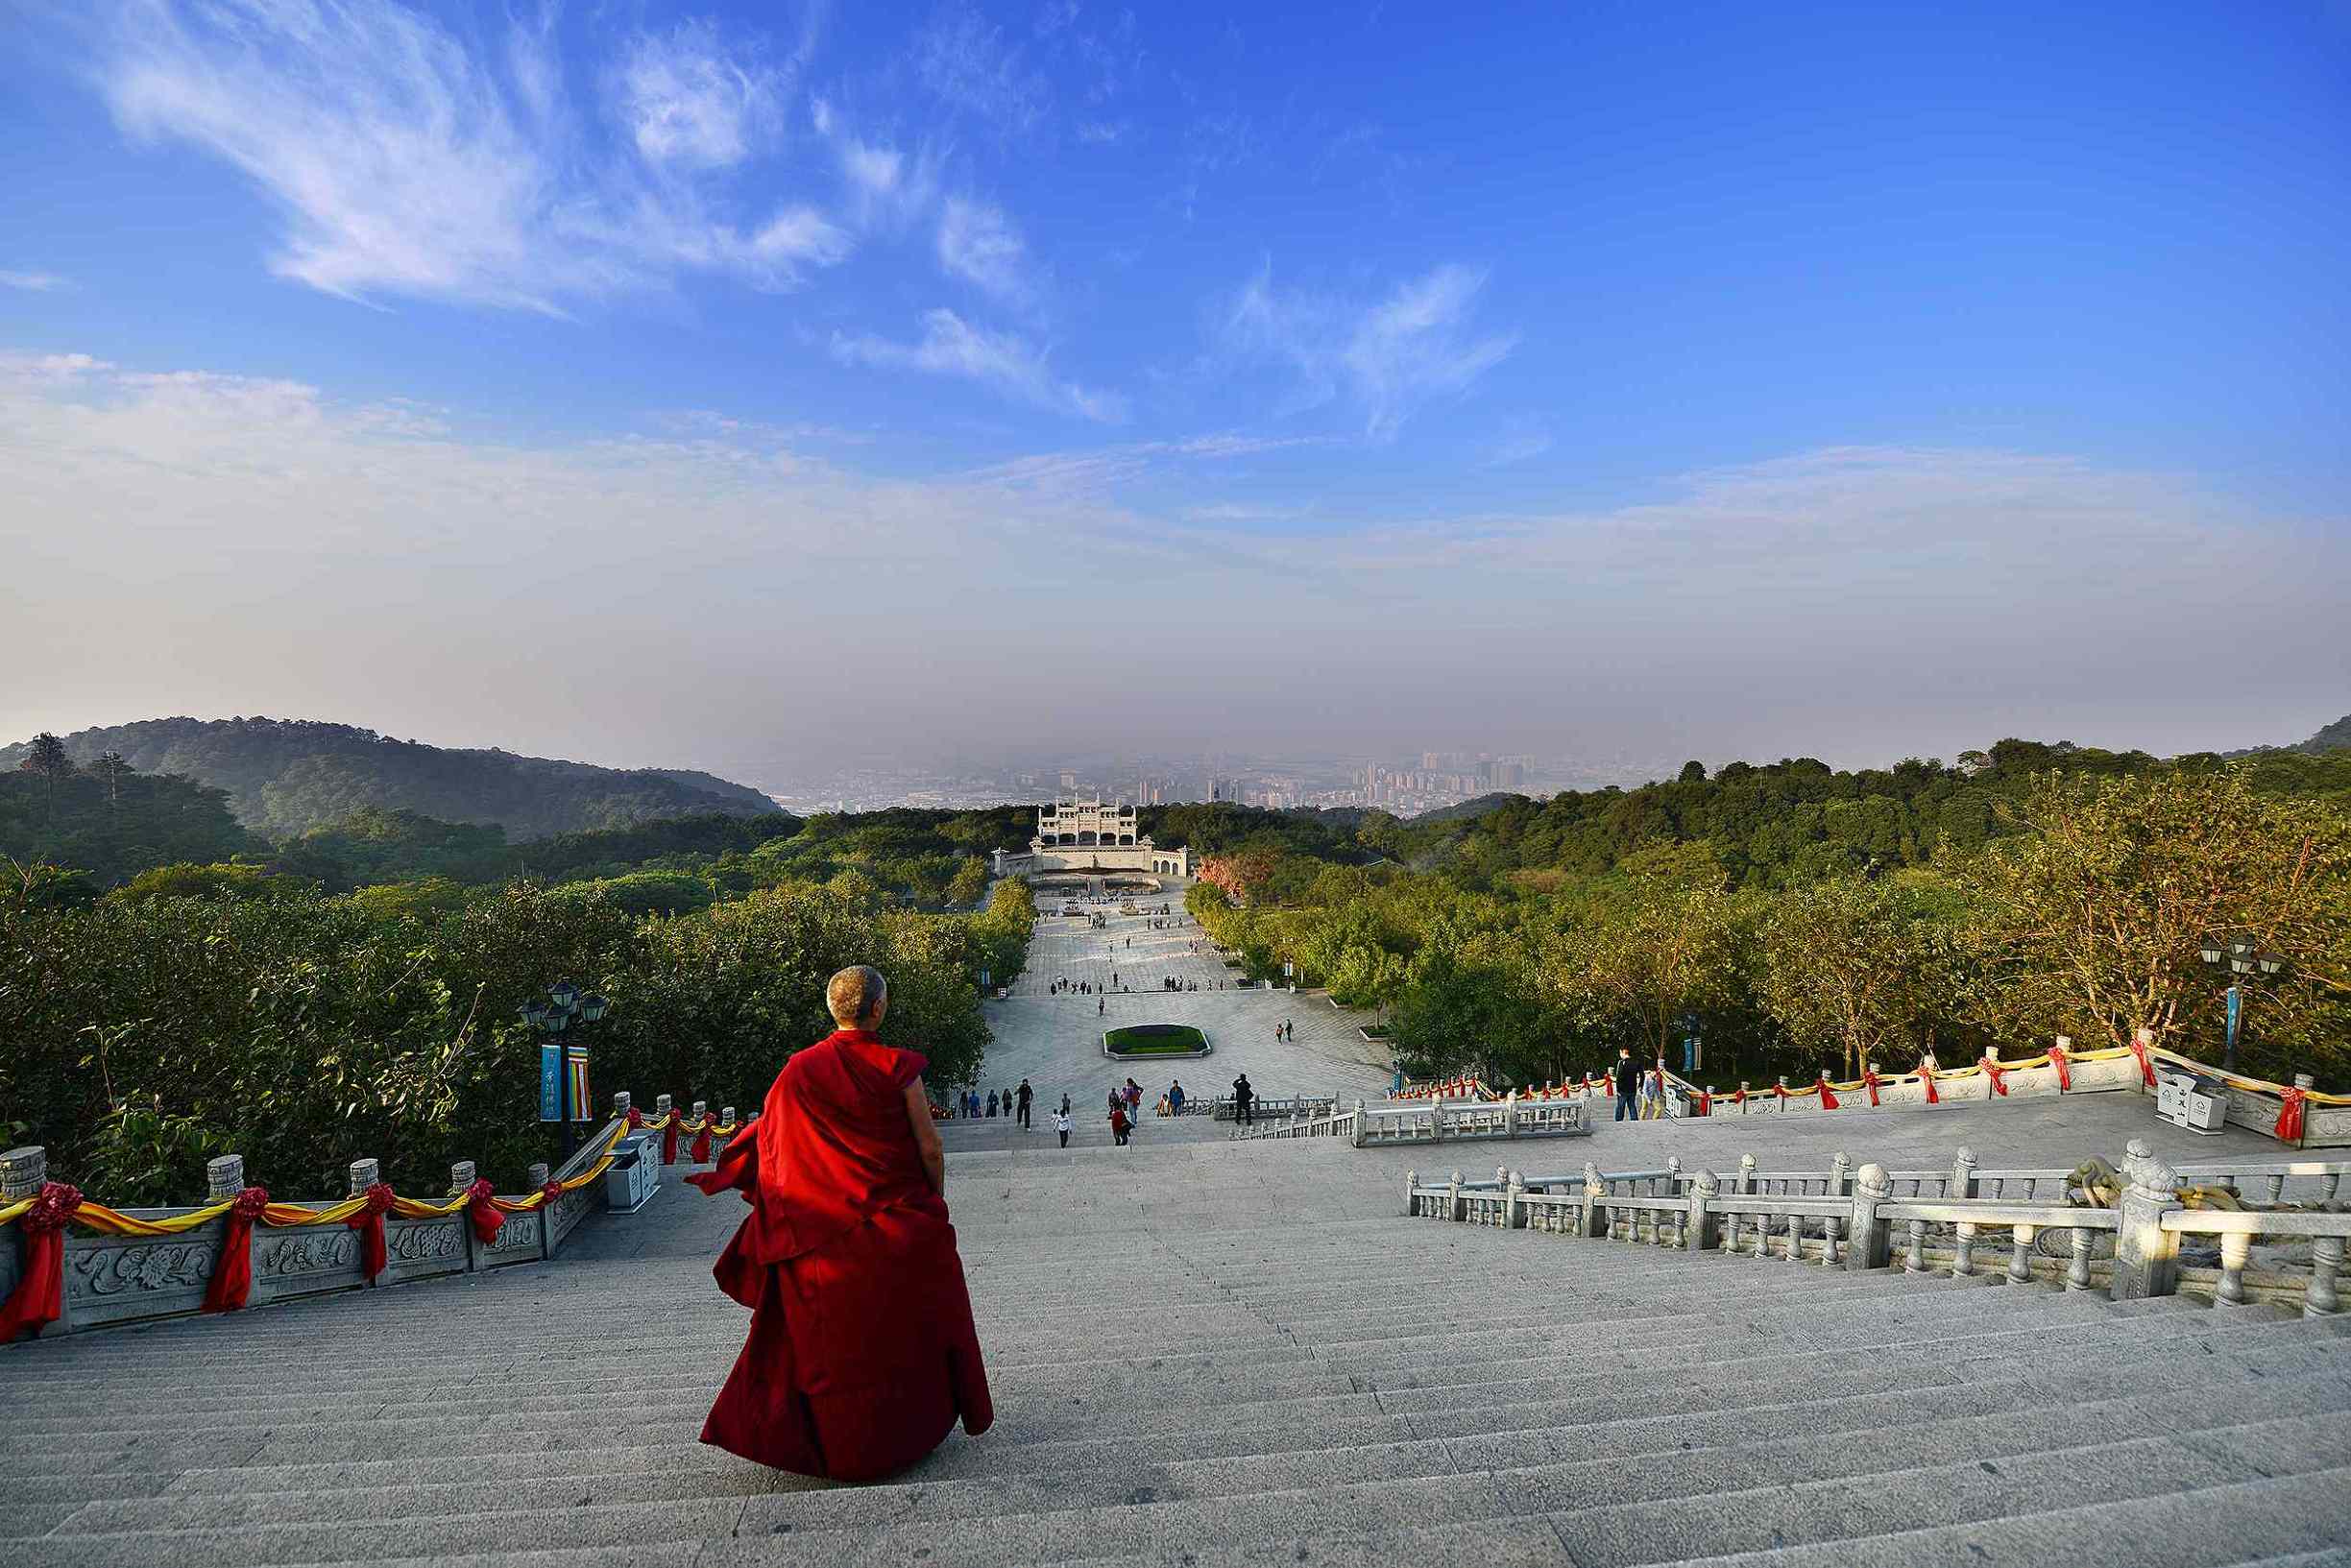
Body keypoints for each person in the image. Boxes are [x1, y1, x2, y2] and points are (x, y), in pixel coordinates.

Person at [687, 965, 991, 1482]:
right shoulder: (898, 1067)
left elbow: (772, 1145)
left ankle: (837, 1442)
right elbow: (930, 1148)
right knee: (912, 1329)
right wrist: (929, 1203)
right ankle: (911, 1430)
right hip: (898, 1223)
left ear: (836, 1011)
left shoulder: (797, 1071)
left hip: (820, 1234)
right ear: (878, 1009)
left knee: (836, 1346)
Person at [1612, 1048, 1642, 1123]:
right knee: (1632, 1105)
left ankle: (1618, 1122)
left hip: (1623, 1090)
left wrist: (1618, 1090)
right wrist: (1640, 1085)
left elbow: (1619, 1077)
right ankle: (1635, 1121)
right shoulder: (1636, 1062)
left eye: (1620, 1053)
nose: (1620, 1055)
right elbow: (1642, 1075)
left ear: (1623, 1052)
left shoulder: (1621, 1062)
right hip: (1632, 1088)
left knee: (1620, 1107)